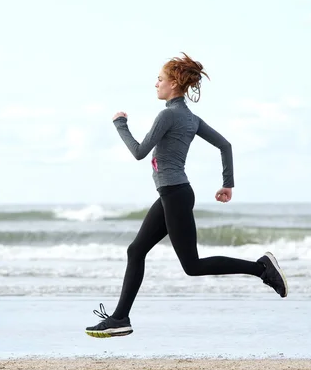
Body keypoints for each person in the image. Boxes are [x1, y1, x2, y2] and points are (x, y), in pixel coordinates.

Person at [85, 53, 288, 338]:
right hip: (173, 193)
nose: (155, 83)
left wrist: (120, 125)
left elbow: (139, 152)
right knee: (136, 250)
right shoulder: (190, 118)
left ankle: (261, 268)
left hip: (175, 195)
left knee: (192, 265)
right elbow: (225, 145)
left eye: (159, 79)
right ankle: (120, 318)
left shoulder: (168, 114)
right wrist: (227, 183)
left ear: (174, 83)